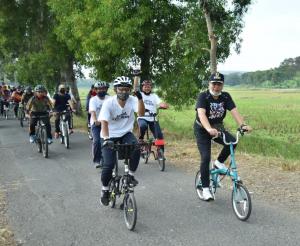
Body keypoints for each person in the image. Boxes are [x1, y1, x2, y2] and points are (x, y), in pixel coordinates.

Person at [194, 72, 252, 201]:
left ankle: (219, 162)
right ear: (209, 84)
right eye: (214, 84)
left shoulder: (225, 97)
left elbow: (234, 111)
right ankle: (205, 189)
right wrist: (208, 128)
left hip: (218, 128)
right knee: (206, 157)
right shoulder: (203, 96)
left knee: (232, 141)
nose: (216, 87)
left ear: (222, 85)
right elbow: (202, 114)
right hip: (203, 129)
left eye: (219, 84)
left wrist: (243, 125)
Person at [99, 76, 145, 206]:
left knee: (136, 147)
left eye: (126, 89)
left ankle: (130, 175)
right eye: (121, 89)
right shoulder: (109, 103)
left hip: (125, 133)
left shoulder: (132, 100)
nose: (124, 92)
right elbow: (104, 123)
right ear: (115, 90)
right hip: (109, 134)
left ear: (130, 90)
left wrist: (140, 98)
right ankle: (105, 190)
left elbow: (141, 113)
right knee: (108, 165)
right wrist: (107, 139)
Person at [137, 80, 168, 148]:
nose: (147, 88)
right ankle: (140, 138)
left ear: (151, 88)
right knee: (143, 126)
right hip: (142, 117)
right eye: (145, 87)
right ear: (142, 87)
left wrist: (163, 105)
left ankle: (160, 153)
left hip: (152, 118)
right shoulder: (140, 95)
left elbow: (160, 102)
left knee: (159, 136)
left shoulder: (154, 96)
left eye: (149, 87)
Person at [89, 81, 110, 168]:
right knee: (97, 141)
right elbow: (93, 112)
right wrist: (95, 120)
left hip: (108, 123)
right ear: (96, 90)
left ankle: (110, 157)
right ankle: (97, 160)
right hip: (96, 123)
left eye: (103, 89)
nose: (101, 90)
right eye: (99, 89)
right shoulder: (93, 100)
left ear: (106, 89)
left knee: (111, 141)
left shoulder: (109, 98)